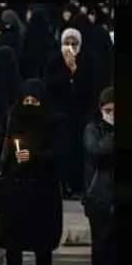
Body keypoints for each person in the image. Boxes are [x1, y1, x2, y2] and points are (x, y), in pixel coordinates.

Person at [0, 79, 63, 265]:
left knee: (42, 247)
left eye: (34, 101)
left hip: (43, 193)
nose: (29, 105)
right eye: (26, 100)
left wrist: (35, 156)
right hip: (14, 191)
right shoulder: (11, 119)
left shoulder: (53, 122)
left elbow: (61, 155)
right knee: (13, 245)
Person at [45, 28, 99, 198]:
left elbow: (89, 88)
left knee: (78, 152)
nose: (70, 47)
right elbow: (50, 86)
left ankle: (77, 187)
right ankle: (63, 186)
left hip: (80, 115)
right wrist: (67, 72)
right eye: (67, 43)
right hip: (60, 116)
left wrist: (75, 70)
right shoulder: (54, 61)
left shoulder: (86, 61)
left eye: (74, 44)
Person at [83, 88, 115, 265]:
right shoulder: (93, 128)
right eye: (108, 110)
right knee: (101, 252)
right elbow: (96, 151)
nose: (111, 114)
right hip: (100, 198)